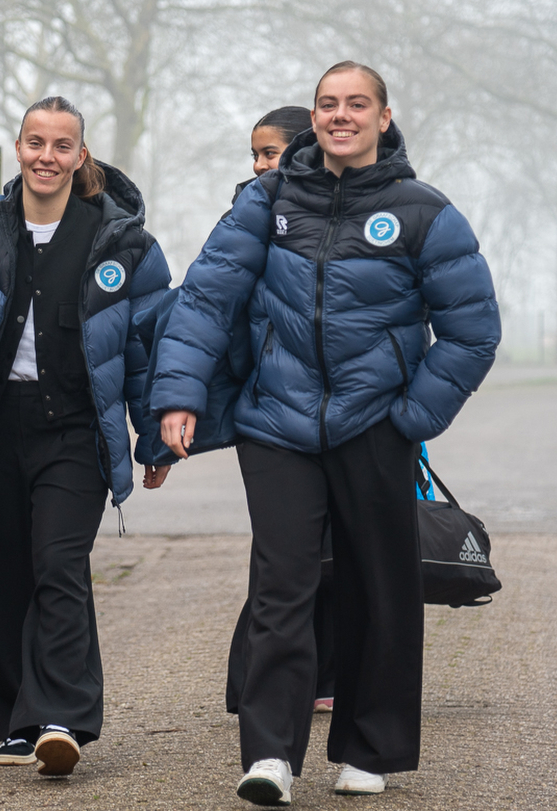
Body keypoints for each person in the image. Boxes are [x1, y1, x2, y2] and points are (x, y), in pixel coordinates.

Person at [152, 62, 500, 805]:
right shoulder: (268, 200)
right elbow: (206, 299)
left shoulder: (424, 212)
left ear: (383, 117)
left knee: (379, 587)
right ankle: (270, 756)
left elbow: (472, 331)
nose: (341, 115)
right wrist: (178, 395)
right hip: (276, 424)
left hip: (375, 427)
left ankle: (370, 750)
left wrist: (412, 416)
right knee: (282, 586)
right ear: (313, 119)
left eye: (356, 104)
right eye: (327, 104)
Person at [0, 96, 172, 777]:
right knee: (2, 570)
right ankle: (14, 719)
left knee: (58, 564)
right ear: (18, 149)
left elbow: (148, 345)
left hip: (75, 429)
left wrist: (155, 435)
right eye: (35, 143)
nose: (47, 156)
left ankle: (62, 718)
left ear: (81, 156)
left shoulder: (123, 242)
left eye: (61, 145)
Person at [221, 105, 340, 718]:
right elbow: (218, 301)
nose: (259, 165)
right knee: (282, 555)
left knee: (336, 551)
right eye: (255, 154)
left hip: (345, 411)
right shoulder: (248, 214)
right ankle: (258, 682)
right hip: (271, 408)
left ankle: (327, 674)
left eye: (269, 153)